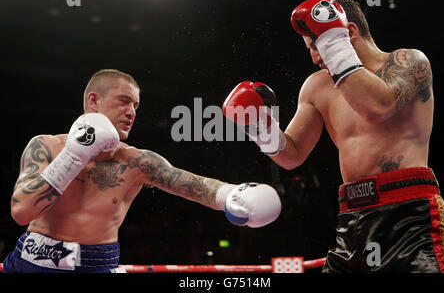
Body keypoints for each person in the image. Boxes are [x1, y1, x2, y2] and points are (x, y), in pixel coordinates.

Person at [223, 0, 444, 272]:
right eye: (310, 48)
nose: (315, 57)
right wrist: (258, 125)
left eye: (318, 44)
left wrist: (333, 43)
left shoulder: (409, 63)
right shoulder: (317, 86)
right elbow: (292, 155)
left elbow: (377, 107)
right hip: (352, 218)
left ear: (348, 32)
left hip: (408, 215)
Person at [3, 69, 282, 273]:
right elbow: (22, 211)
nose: (132, 111)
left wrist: (231, 193)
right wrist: (75, 154)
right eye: (123, 101)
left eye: (135, 105)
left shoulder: (137, 162)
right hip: (32, 261)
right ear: (94, 101)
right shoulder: (46, 146)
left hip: (98, 264)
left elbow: (192, 184)